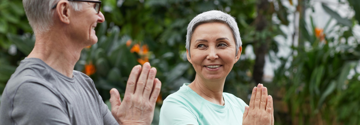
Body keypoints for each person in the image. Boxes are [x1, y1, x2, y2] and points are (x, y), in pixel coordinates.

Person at [0, 0, 161, 125]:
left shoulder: (84, 83)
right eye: (94, 6)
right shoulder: (30, 91)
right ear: (65, 11)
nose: (101, 17)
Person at [159, 10, 274, 125]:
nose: (212, 55)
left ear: (237, 53)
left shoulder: (240, 106)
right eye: (201, 45)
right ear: (189, 54)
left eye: (222, 44)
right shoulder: (177, 105)